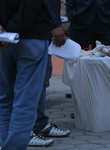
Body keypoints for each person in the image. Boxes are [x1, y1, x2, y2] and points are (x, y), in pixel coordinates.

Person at [0, 0, 51, 149]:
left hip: (4, 38)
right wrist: (14, 29)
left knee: (5, 100)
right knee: (25, 101)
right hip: (31, 36)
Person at [28, 0, 71, 147]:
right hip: (32, 30)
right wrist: (54, 23)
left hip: (43, 29)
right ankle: (24, 131)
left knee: (42, 81)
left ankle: (40, 124)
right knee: (27, 84)